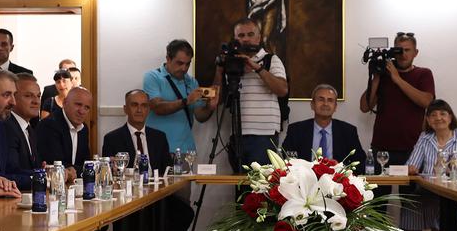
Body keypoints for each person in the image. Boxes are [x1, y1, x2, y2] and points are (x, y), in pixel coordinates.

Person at [103, 89, 193, 231]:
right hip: (129, 200)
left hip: (158, 197)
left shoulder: (159, 137)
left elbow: (168, 171)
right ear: (125, 109)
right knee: (137, 222)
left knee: (184, 213)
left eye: (144, 105)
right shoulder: (112, 138)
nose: (139, 109)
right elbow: (110, 174)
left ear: (148, 110)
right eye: (134, 105)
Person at [403, 98, 457, 231]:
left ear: (450, 118)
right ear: (428, 120)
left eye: (442, 114)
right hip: (428, 192)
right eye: (433, 115)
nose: (438, 118)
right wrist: (410, 169)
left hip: (456, 195)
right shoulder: (424, 137)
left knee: (449, 210)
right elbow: (411, 165)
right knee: (410, 206)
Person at [358, 32, 435, 166]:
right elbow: (364, 107)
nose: (403, 54)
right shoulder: (384, 74)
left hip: (413, 148)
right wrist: (376, 78)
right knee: (376, 181)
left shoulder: (423, 73)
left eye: (407, 50)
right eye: (399, 50)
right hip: (381, 148)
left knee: (413, 181)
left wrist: (397, 79)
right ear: (393, 52)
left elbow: (427, 102)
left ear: (415, 53)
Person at [227, 16, 289, 166]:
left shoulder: (271, 60)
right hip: (237, 133)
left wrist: (256, 67)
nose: (246, 39)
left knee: (262, 179)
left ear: (259, 37)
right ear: (235, 39)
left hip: (264, 135)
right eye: (241, 35)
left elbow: (282, 89)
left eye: (250, 34)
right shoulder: (231, 63)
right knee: (238, 180)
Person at [144, 39, 214, 159]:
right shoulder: (153, 77)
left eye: (188, 64)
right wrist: (186, 101)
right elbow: (157, 107)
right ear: (168, 58)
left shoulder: (192, 82)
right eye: (180, 63)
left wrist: (210, 107)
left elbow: (200, 116)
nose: (184, 68)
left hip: (185, 149)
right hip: (157, 148)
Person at [280, 84, 365, 165]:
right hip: (305, 175)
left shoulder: (348, 131)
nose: (325, 104)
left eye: (330, 100)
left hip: (337, 175)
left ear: (335, 107)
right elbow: (285, 159)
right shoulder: (296, 130)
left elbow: (360, 161)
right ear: (312, 105)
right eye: (321, 99)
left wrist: (340, 167)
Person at [34, 85, 94, 176]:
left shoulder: (83, 128)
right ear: (65, 103)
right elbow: (56, 165)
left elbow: (85, 163)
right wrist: (85, 170)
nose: (82, 111)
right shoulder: (49, 125)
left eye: (87, 108)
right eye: (78, 104)